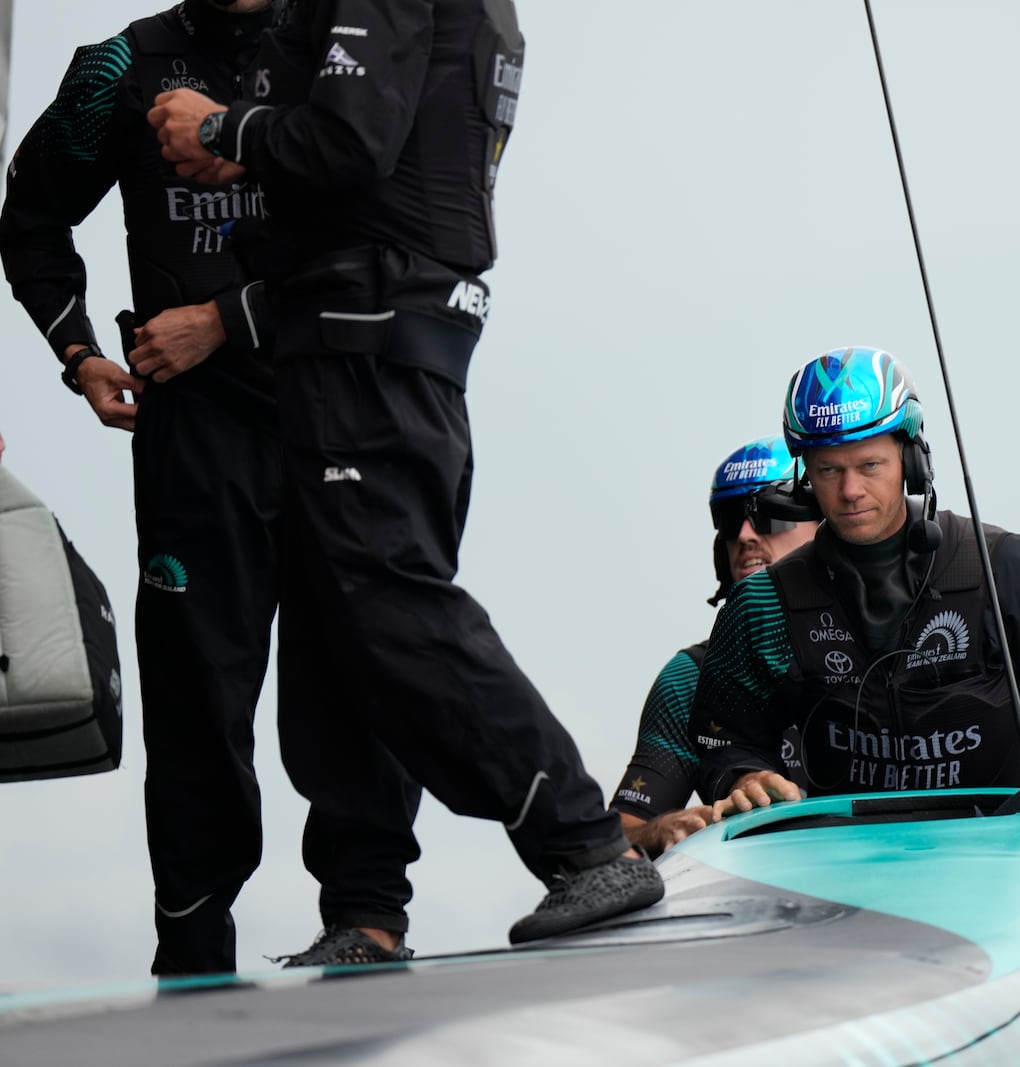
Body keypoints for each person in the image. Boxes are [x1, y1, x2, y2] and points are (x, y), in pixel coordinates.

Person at [147, 0, 664, 953]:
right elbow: (363, 138)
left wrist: (222, 126)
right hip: (349, 342)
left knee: (389, 603)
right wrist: (257, 149)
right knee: (334, 632)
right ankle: (367, 911)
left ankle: (585, 845)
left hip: (373, 347)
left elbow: (350, 140)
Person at [0, 0, 305, 976]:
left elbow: (404, 225)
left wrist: (223, 319)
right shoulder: (122, 69)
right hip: (195, 441)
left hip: (336, 411)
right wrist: (79, 352)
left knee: (359, 669)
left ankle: (367, 911)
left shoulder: (345, 50)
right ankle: (192, 949)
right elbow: (31, 219)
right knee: (195, 703)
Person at [689, 346, 1020, 811]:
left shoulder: (1005, 566)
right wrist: (743, 775)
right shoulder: (764, 603)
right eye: (829, 470)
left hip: (1001, 847)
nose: (850, 490)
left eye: (870, 466)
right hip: (837, 860)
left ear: (912, 461)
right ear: (805, 481)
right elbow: (724, 739)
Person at [611, 435, 818, 856]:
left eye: (769, 517)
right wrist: (662, 829)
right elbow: (618, 835)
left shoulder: (902, 639)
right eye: (730, 518)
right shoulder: (690, 677)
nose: (744, 534)